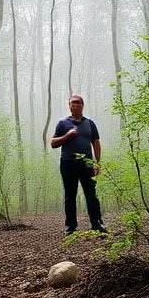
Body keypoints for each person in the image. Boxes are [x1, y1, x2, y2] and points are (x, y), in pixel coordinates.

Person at [50, 94, 105, 235]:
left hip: (86, 163)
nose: (75, 105)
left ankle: (97, 223)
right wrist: (67, 135)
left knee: (91, 194)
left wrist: (97, 163)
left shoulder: (89, 123)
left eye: (78, 102)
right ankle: (71, 227)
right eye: (72, 103)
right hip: (68, 164)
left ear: (82, 105)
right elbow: (53, 143)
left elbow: (96, 143)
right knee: (70, 195)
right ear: (69, 105)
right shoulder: (63, 123)